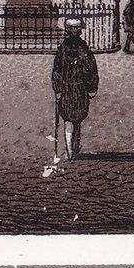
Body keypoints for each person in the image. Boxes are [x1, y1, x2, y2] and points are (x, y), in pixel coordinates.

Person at [51, 18, 100, 161]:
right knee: (76, 119)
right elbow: (91, 69)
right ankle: (73, 150)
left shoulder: (63, 49)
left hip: (68, 88)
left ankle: (70, 151)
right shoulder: (82, 48)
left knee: (69, 120)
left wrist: (58, 88)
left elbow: (57, 71)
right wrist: (92, 86)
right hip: (78, 88)